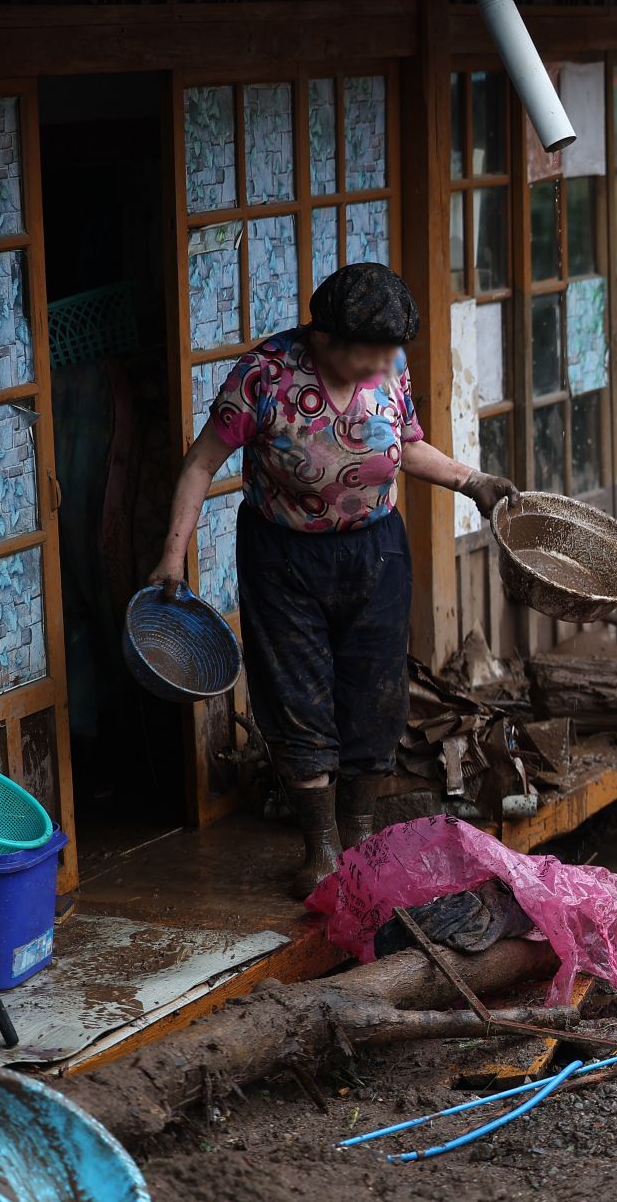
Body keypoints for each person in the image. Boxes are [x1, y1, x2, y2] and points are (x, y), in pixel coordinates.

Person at [150, 263, 518, 897]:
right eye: (368, 353)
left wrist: (473, 482)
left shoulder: (390, 369)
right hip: (282, 557)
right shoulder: (265, 377)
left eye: (388, 353)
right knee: (296, 695)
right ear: (323, 339)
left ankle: (359, 839)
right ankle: (320, 848)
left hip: (375, 553)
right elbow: (200, 463)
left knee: (375, 693)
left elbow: (408, 445)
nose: (383, 364)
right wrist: (173, 556)